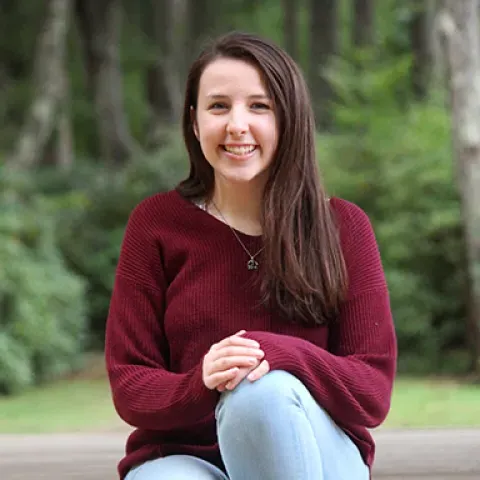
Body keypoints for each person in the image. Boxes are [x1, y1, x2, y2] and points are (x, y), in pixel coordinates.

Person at [105, 31, 397, 480]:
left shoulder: (343, 227)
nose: (237, 125)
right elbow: (130, 384)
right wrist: (200, 380)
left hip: (314, 455)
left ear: (289, 118)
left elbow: (371, 391)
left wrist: (280, 355)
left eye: (259, 106)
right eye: (218, 106)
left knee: (259, 391)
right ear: (194, 120)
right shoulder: (156, 224)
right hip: (183, 456)